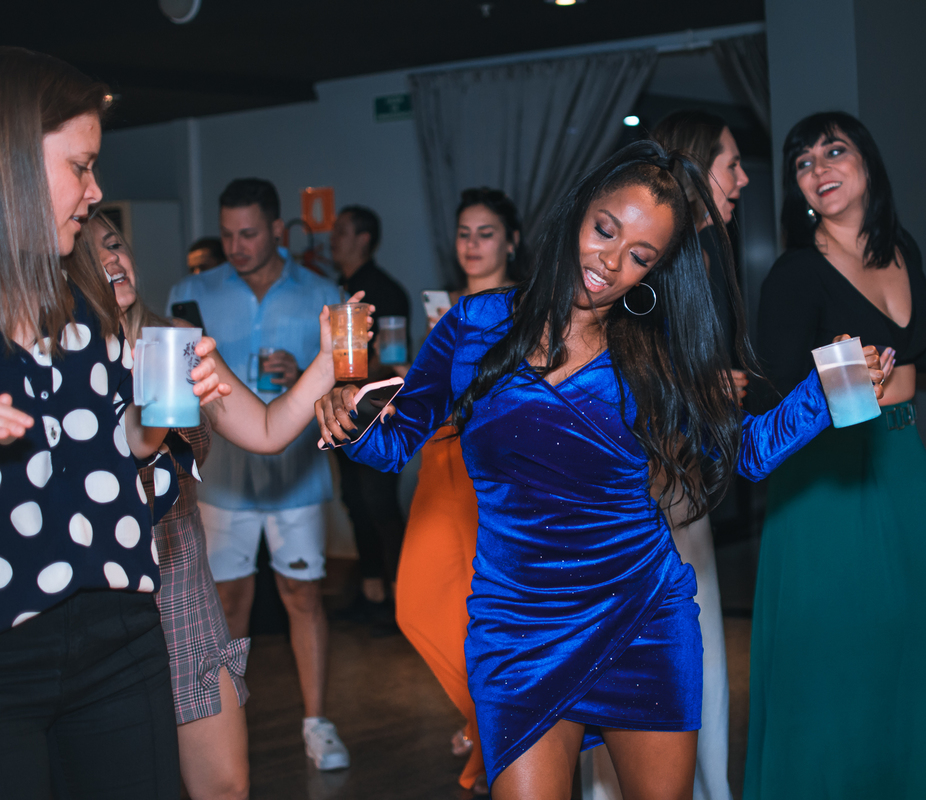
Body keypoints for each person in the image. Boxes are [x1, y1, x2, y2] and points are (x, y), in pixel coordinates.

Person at [317, 141, 883, 797]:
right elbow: (392, 443)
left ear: (657, 269)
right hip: (515, 628)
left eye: (640, 256)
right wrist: (345, 413)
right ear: (580, 212)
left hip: (641, 619)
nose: (610, 262)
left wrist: (834, 388)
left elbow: (747, 451)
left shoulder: (658, 358)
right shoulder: (475, 324)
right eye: (605, 230)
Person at [744, 111, 926, 799]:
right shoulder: (796, 274)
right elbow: (765, 397)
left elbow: (915, 355)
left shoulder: (901, 249)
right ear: (798, 189)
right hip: (828, 478)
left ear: (867, 166)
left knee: (910, 646)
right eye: (803, 161)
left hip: (901, 459)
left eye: (834, 150)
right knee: (835, 659)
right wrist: (839, 376)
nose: (818, 167)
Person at [0, 47, 226, 797]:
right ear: (13, 166)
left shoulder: (75, 311)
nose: (95, 193)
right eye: (80, 167)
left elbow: (117, 448)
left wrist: (161, 408)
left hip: (118, 630)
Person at [82, 212, 366, 798]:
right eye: (91, 255)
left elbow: (265, 429)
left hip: (183, 589)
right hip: (106, 601)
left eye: (115, 245)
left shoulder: (174, 343)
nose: (112, 261)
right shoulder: (66, 366)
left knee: (226, 786)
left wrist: (325, 357)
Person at [582, 110, 750, 800]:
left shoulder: (709, 257)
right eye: (730, 163)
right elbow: (622, 369)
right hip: (649, 488)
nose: (741, 178)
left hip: (684, 483)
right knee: (659, 664)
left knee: (693, 662)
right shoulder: (659, 262)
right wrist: (697, 392)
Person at [166, 178, 351, 771]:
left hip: (296, 474)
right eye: (227, 234)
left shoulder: (322, 291)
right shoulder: (191, 293)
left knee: (302, 595)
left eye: (249, 233)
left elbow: (348, 385)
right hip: (221, 479)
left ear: (276, 230)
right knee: (227, 601)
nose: (236, 245)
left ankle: (317, 723)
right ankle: (229, 725)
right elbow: (172, 391)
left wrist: (305, 371)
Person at [395, 187, 522, 795]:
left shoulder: (523, 311)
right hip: (438, 468)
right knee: (416, 603)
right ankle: (483, 718)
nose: (473, 244)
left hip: (489, 475)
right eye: (465, 233)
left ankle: (495, 730)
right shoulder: (443, 312)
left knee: (488, 612)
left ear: (511, 241)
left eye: (486, 233)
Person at [328, 205, 410, 632]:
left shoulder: (385, 291)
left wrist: (360, 375)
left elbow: (395, 363)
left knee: (379, 505)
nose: (331, 238)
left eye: (341, 231)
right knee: (356, 503)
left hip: (378, 416)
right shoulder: (340, 289)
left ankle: (400, 599)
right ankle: (373, 591)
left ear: (364, 238)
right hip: (346, 411)